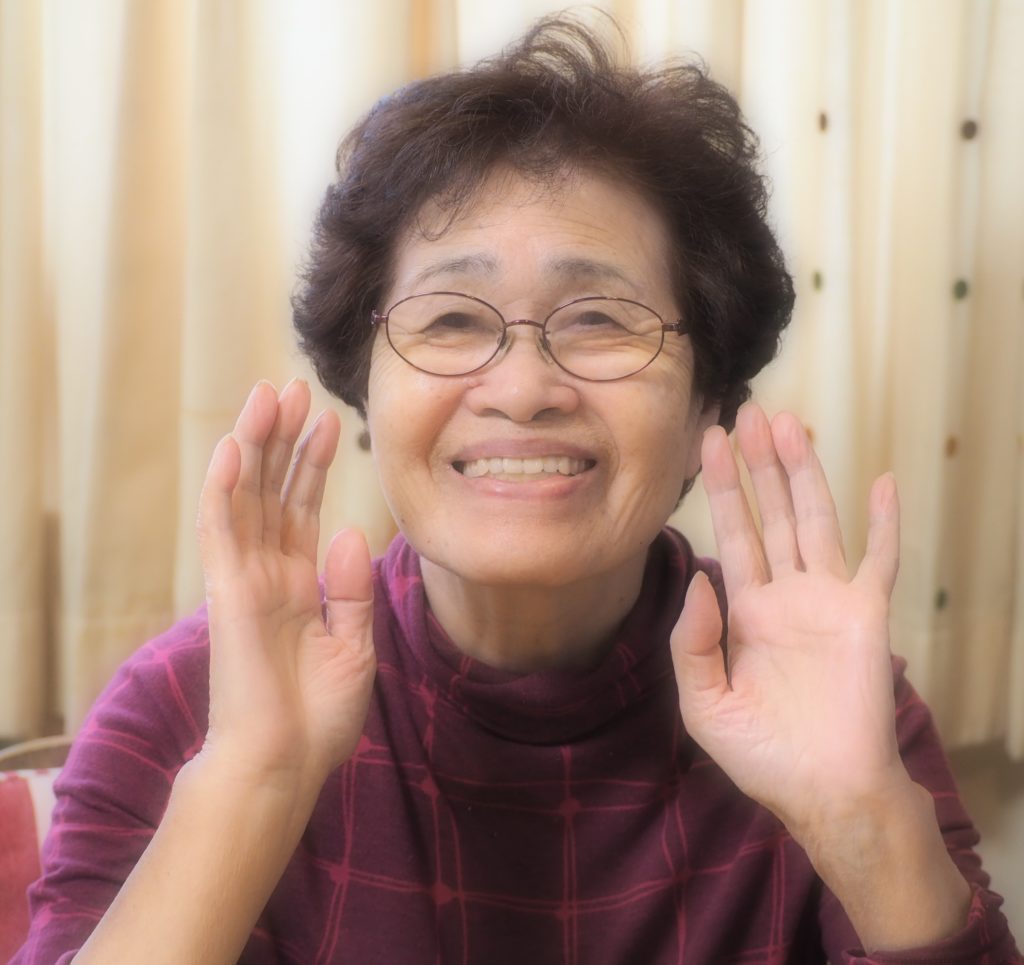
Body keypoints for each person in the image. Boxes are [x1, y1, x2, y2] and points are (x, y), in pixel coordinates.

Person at [13, 15, 1021, 965]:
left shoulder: (825, 693)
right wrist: (253, 779)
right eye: (451, 319)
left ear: (705, 407)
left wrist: (860, 817)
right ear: (365, 389)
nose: (524, 388)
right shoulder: (190, 701)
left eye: (601, 319)